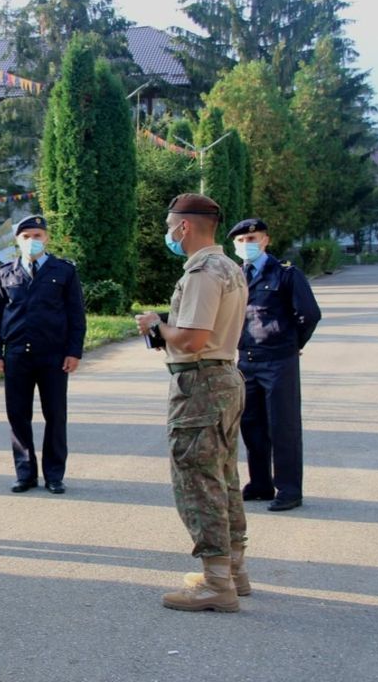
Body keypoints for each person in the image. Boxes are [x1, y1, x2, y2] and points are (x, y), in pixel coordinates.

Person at [135, 193, 249, 613]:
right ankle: (233, 570)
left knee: (198, 480)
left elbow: (192, 338)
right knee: (222, 476)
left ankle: (217, 582)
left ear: (184, 227)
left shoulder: (202, 272)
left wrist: (156, 326)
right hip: (223, 378)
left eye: (170, 225)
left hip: (201, 384)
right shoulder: (229, 267)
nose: (168, 232)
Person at [0, 214, 86, 495]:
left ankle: (54, 475)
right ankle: (25, 474)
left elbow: (76, 315)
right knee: (18, 416)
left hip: (53, 356)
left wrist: (74, 351)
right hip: (17, 355)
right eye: (26, 237)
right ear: (17, 240)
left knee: (55, 415)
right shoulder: (6, 272)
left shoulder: (64, 271)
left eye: (37, 236)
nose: (32, 241)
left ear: (47, 238)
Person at [228, 218, 321, 512]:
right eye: (241, 241)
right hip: (247, 360)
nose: (247, 245)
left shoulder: (286, 274)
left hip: (279, 360)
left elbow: (309, 315)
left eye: (252, 238)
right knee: (251, 425)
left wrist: (293, 345)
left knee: (283, 426)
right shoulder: (236, 275)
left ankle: (290, 489)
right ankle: (260, 484)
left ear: (266, 240)